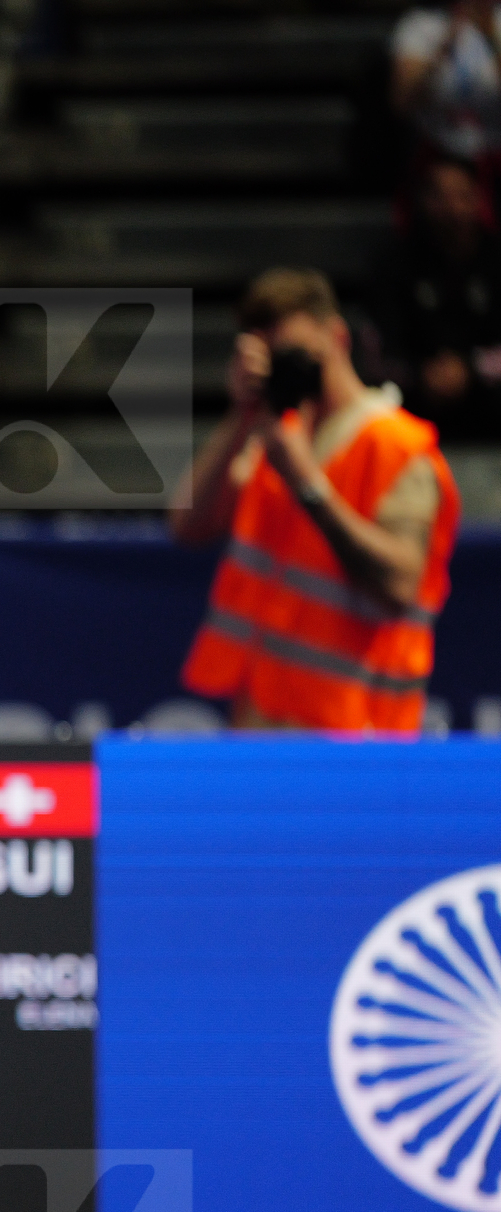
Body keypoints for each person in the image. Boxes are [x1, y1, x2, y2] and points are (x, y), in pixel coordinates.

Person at [172, 268, 461, 733]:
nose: (288, 369)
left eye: (295, 353)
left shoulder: (396, 447)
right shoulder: (272, 434)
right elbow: (188, 527)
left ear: (338, 336)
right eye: (272, 358)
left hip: (356, 735)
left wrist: (307, 482)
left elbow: (400, 586)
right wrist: (240, 415)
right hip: (262, 726)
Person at [372, 156, 501, 441]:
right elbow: (381, 347)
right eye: (439, 196)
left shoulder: (496, 259)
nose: (451, 208)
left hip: (488, 400)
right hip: (415, 399)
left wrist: (468, 369)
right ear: (421, 200)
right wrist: (423, 373)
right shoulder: (395, 263)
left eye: (461, 196)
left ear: (479, 199)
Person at [392, 0, 501, 172]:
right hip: (437, 153)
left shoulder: (497, 22)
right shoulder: (420, 24)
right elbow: (402, 101)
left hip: (495, 153)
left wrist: (491, 39)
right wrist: (444, 48)